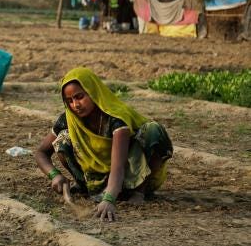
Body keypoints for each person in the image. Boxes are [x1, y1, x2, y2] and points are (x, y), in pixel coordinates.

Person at [35, 67, 173, 222]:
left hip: (129, 176)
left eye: (79, 97)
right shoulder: (68, 119)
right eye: (69, 101)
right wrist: (55, 175)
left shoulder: (115, 119)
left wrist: (108, 200)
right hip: (96, 180)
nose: (76, 105)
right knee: (63, 138)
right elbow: (41, 152)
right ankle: (85, 186)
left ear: (92, 91)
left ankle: (139, 191)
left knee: (152, 131)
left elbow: (118, 166)